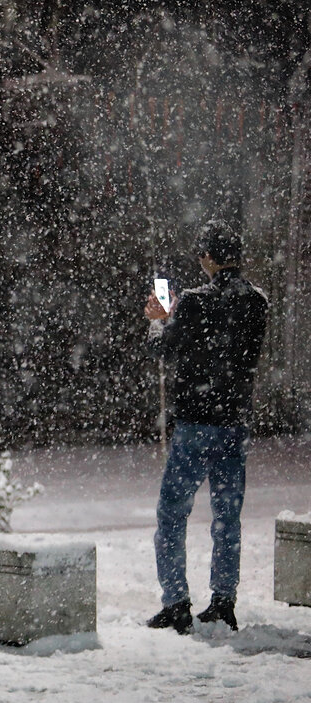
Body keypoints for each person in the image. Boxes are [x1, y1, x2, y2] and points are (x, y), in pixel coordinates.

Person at [143, 219, 268, 634]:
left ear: (209, 258)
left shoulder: (195, 302)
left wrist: (159, 319)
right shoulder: (258, 302)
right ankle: (223, 600)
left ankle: (176, 601)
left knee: (172, 513)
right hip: (234, 424)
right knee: (227, 517)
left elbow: (164, 349)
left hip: (195, 422)